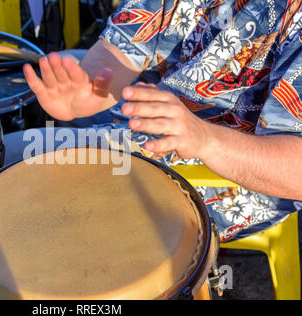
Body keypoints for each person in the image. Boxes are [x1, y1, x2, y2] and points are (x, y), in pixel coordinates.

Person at [23, 0, 302, 242]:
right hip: (163, 109)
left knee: (35, 173)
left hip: (246, 175)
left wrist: (205, 139)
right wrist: (89, 90)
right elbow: (123, 44)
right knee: (63, 69)